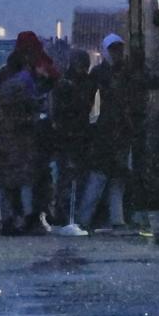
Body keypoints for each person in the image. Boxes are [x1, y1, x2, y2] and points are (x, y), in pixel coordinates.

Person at [0, 31, 59, 235]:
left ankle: (14, 218)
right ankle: (28, 217)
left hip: (11, 136)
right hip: (24, 135)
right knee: (26, 180)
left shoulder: (9, 72)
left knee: (12, 181)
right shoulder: (28, 73)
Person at [79, 33, 134, 231]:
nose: (117, 53)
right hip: (109, 131)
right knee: (105, 176)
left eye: (118, 49)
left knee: (113, 177)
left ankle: (101, 218)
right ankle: (99, 218)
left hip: (115, 131)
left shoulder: (112, 73)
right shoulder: (107, 74)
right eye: (114, 49)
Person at [51, 49, 94, 236]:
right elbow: (67, 109)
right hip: (68, 136)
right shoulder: (65, 84)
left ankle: (72, 215)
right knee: (68, 178)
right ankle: (66, 215)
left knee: (75, 177)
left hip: (78, 135)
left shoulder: (83, 82)